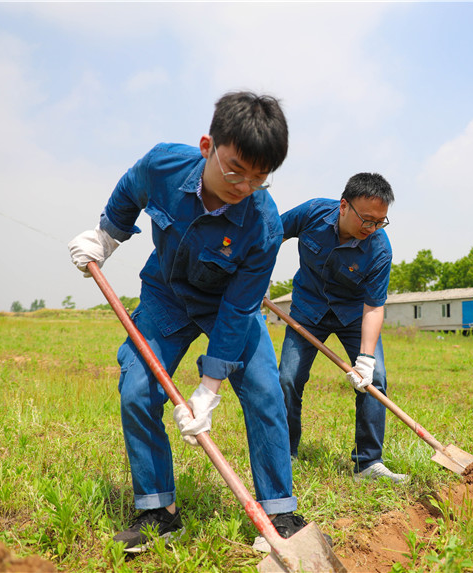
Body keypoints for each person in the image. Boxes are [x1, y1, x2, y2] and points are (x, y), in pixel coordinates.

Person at [68, 91, 308, 552]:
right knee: (137, 387)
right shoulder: (163, 164)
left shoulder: (264, 226)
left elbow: (240, 310)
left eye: (259, 178)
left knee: (264, 391)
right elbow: (130, 188)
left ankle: (279, 513)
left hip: (228, 308)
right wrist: (106, 236)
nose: (243, 186)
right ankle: (158, 509)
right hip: (168, 295)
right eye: (235, 169)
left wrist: (209, 388)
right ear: (207, 146)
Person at [277, 173, 408, 483]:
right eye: (366, 219)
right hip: (308, 310)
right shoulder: (312, 213)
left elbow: (374, 307)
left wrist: (365, 358)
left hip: (353, 315)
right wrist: (254, 275)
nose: (372, 228)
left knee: (375, 377)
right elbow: (271, 236)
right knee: (287, 378)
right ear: (344, 206)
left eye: (380, 222)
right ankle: (286, 454)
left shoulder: (379, 249)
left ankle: (368, 463)